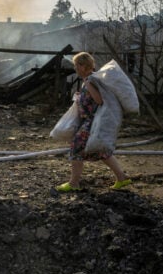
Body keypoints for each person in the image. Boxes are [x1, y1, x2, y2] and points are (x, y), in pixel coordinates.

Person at [56, 52, 131, 192]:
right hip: (88, 121)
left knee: (76, 148)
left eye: (77, 65)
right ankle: (122, 178)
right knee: (100, 151)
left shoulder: (90, 80)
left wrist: (87, 86)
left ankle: (74, 183)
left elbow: (99, 100)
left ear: (83, 66)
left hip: (91, 123)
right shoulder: (90, 80)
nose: (75, 68)